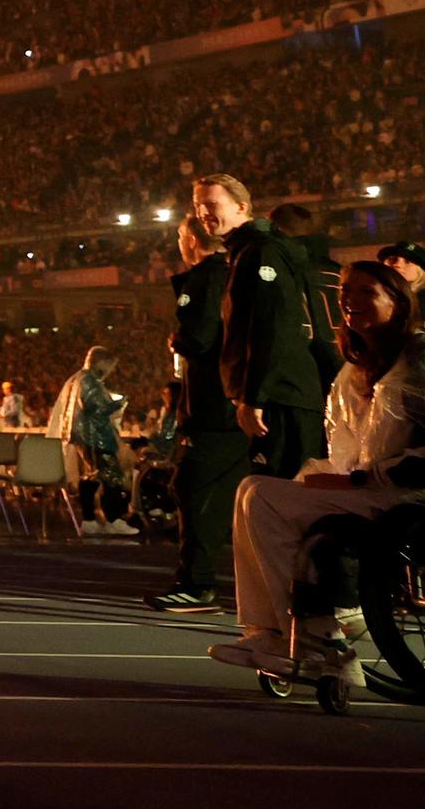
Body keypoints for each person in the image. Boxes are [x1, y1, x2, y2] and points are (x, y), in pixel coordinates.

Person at [207, 260, 425, 687]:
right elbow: (349, 448)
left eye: (367, 292)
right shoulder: (359, 369)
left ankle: (315, 637)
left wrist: (360, 480)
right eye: (346, 292)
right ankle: (273, 632)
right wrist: (340, 477)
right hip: (379, 489)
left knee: (262, 497)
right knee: (252, 490)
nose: (351, 301)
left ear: (399, 302)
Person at [200, 174, 330, 478]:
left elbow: (272, 327)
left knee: (285, 494)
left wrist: (254, 396)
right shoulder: (246, 251)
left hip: (281, 397)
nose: (203, 213)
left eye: (211, 203)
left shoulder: (261, 252)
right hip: (279, 394)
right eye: (198, 206)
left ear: (242, 206)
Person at [151, 214, 244, 612]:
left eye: (179, 235)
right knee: (214, 494)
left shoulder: (207, 278)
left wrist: (180, 339)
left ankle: (197, 583)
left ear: (192, 239)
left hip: (213, 409)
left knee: (195, 489)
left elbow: (201, 337)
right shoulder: (229, 275)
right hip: (226, 406)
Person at [46, 347, 135, 535]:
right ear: (101, 362)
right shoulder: (90, 382)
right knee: (112, 477)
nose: (111, 371)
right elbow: (96, 408)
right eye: (110, 366)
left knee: (91, 477)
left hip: (85, 437)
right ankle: (113, 519)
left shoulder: (79, 379)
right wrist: (118, 403)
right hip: (97, 437)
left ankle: (89, 520)